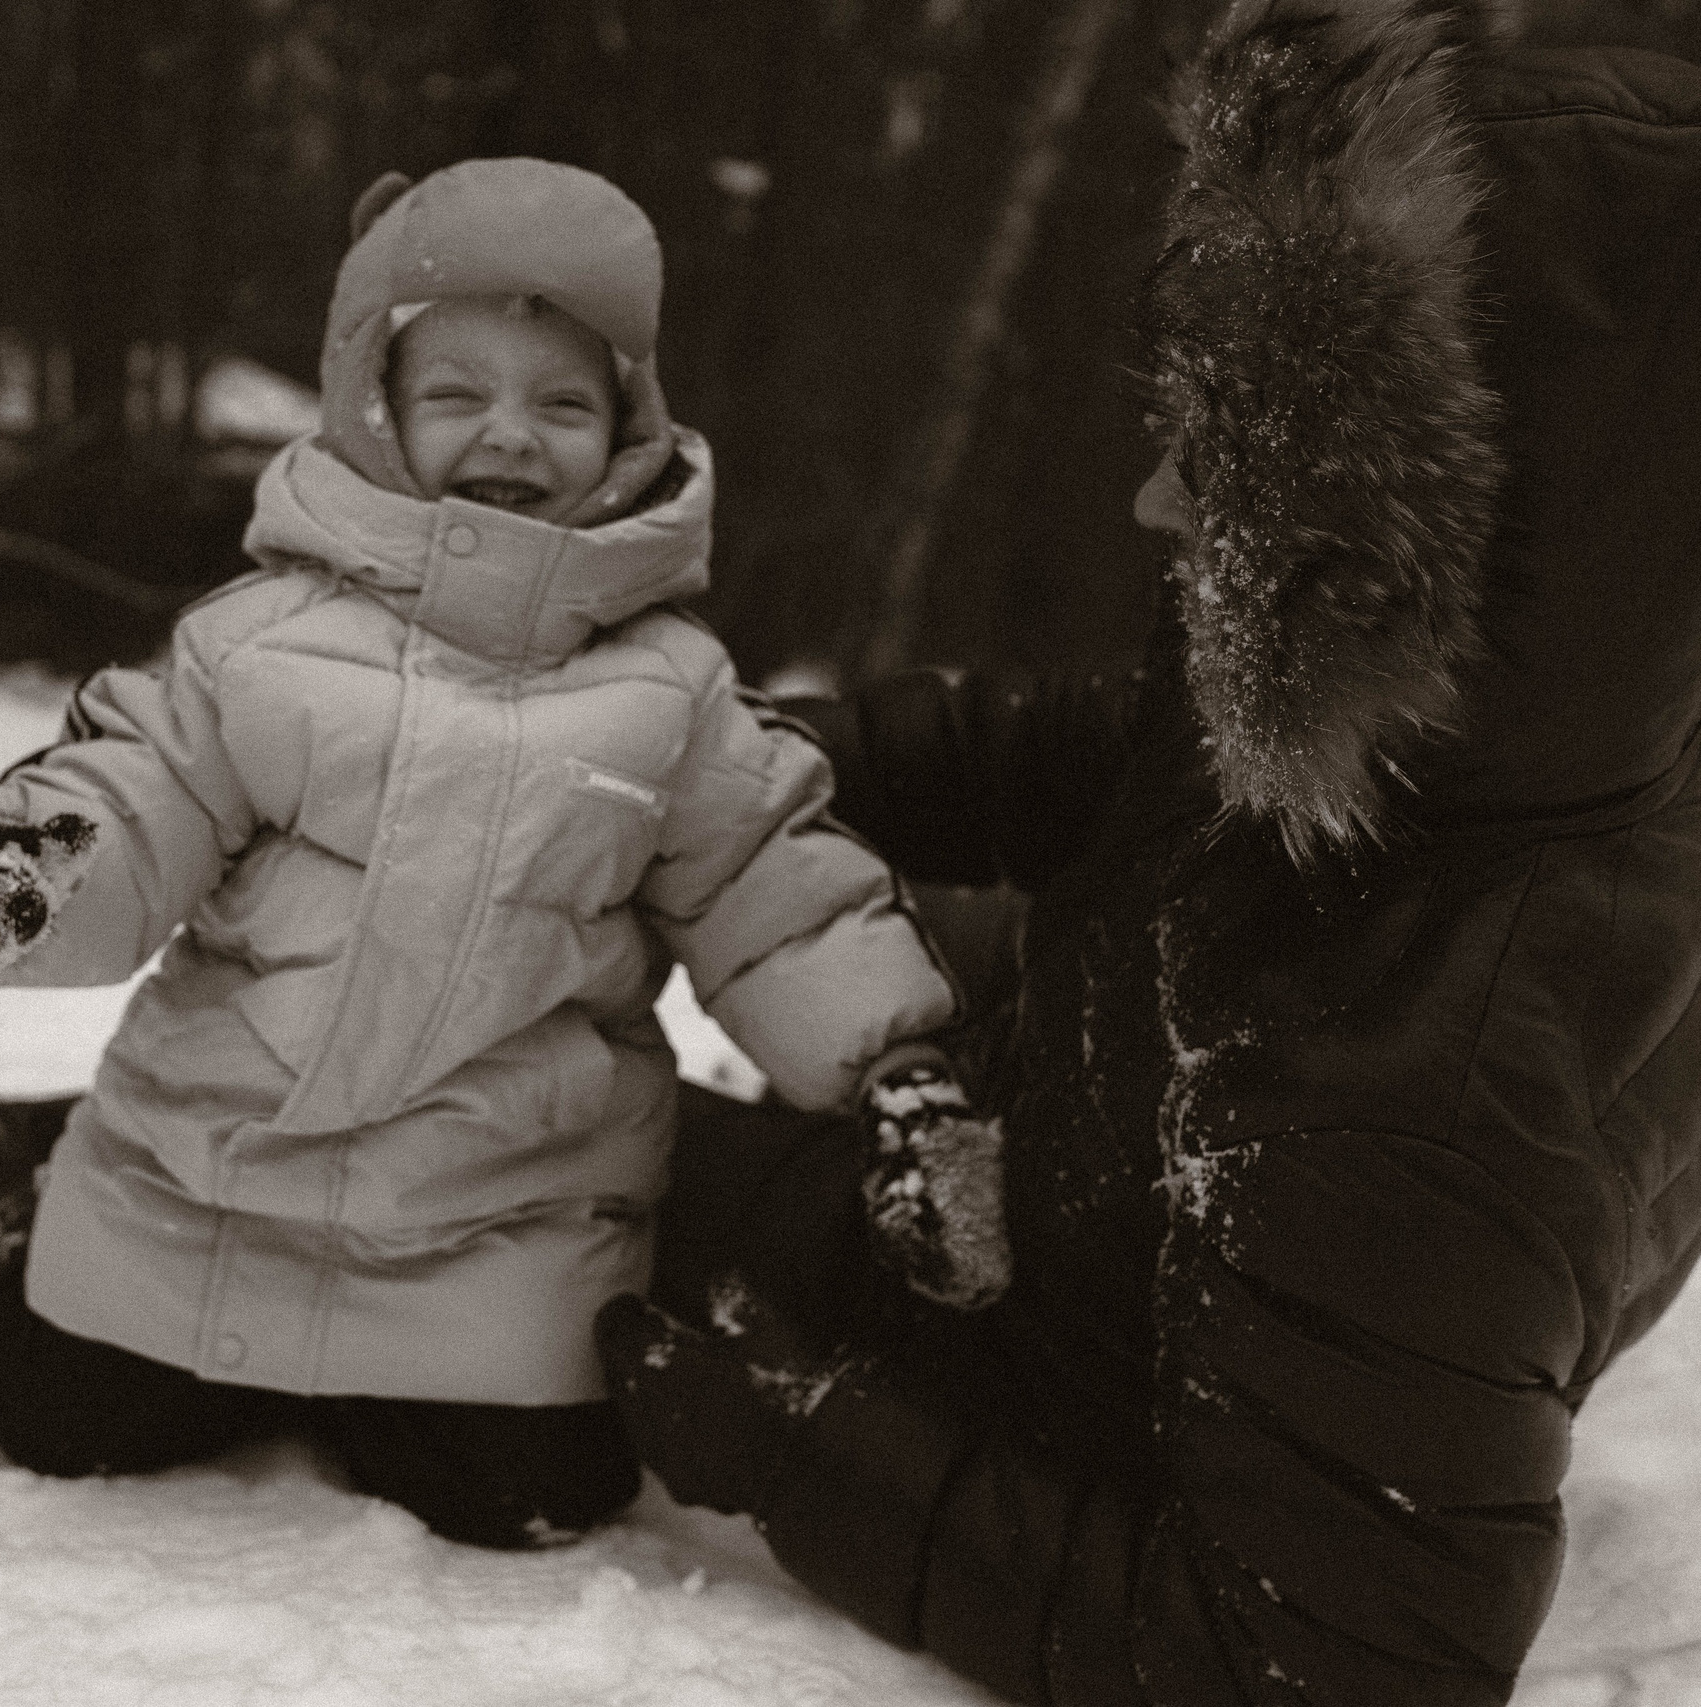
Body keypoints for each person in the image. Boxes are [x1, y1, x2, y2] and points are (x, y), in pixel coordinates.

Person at [596, 1, 1701, 1699]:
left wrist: (801, 1442)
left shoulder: (1407, 1105)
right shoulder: (1470, 716)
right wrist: (746, 765)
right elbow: (1109, 760)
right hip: (1100, 1190)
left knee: (546, 1166)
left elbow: (1316, 1670)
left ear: (1439, 535)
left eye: (1241, 459)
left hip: (1084, 1389)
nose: (1159, 503)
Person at [0, 158, 1006, 1551]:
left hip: (497, 1222)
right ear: (375, 413)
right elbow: (137, 790)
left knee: (536, 1497)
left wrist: (895, 1068)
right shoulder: (262, 646)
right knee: (41, 1412)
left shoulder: (673, 692)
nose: (512, 436)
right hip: (208, 1181)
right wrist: (32, 876)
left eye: (563, 401)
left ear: (631, 429)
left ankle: (393, 1383)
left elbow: (776, 892)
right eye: (456, 394)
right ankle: (42, 1219)